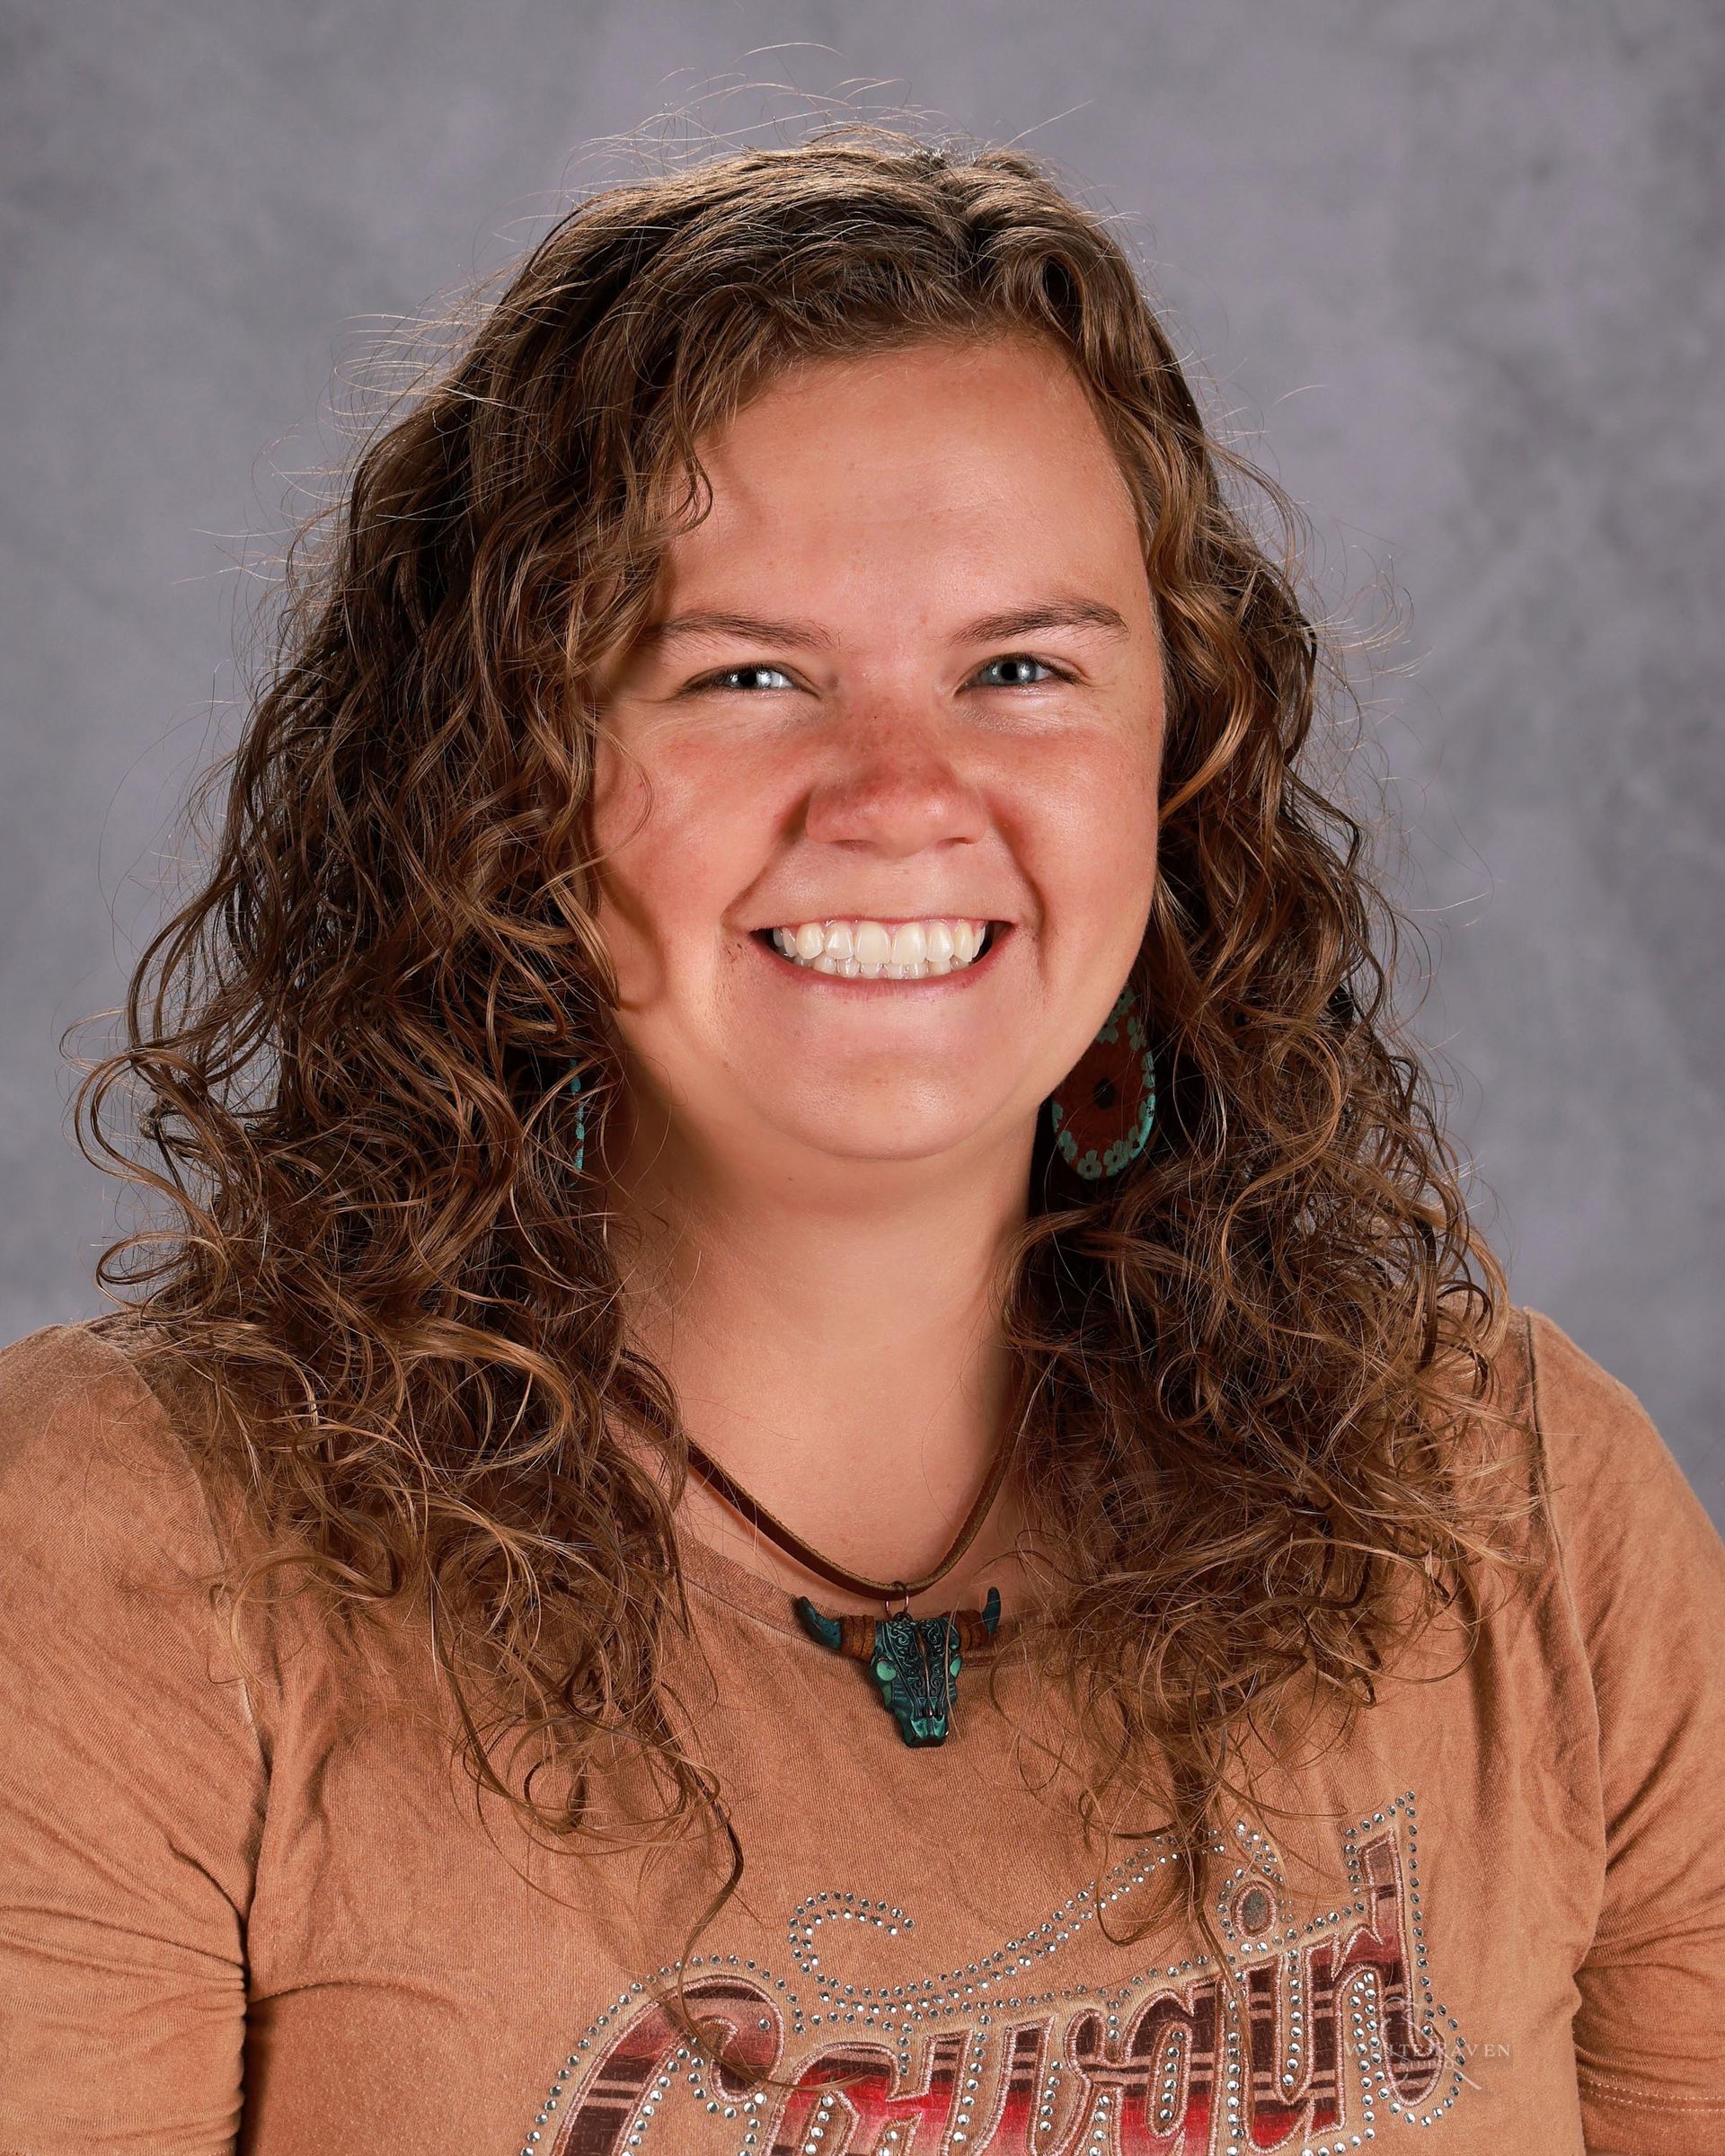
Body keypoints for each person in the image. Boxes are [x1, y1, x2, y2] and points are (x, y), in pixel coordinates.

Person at [1, 127, 1720, 2156]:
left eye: (1020, 669)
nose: (903, 796)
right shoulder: (132, 1567)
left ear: (1177, 759)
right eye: (743, 675)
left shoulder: (1526, 1514)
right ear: (499, 789)